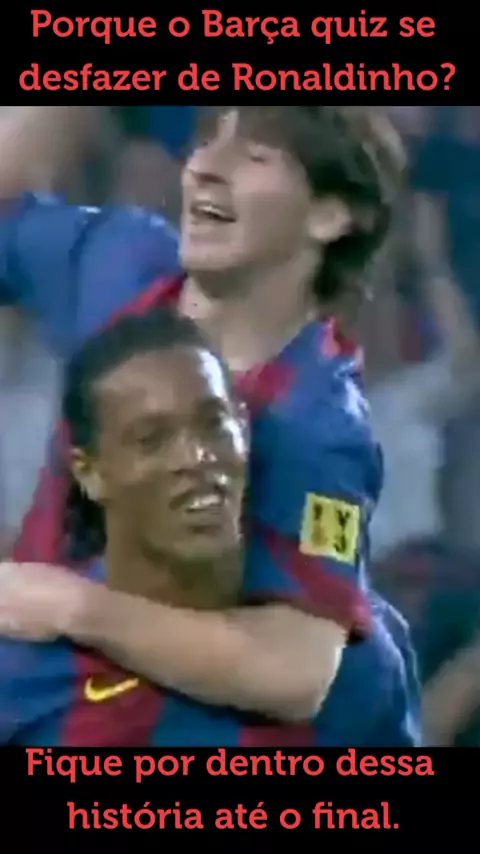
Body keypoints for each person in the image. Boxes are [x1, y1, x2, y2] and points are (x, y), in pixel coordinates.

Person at [0, 106, 420, 739]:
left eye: (253, 156)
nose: (203, 169)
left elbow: (296, 671)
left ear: (330, 216)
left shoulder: (317, 430)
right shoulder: (124, 264)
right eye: (204, 144)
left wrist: (72, 606)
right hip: (32, 678)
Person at [0, 307, 416, 746]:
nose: (196, 459)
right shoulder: (23, 672)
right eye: (151, 439)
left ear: (244, 430)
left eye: (214, 424)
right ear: (90, 472)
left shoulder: (359, 665)